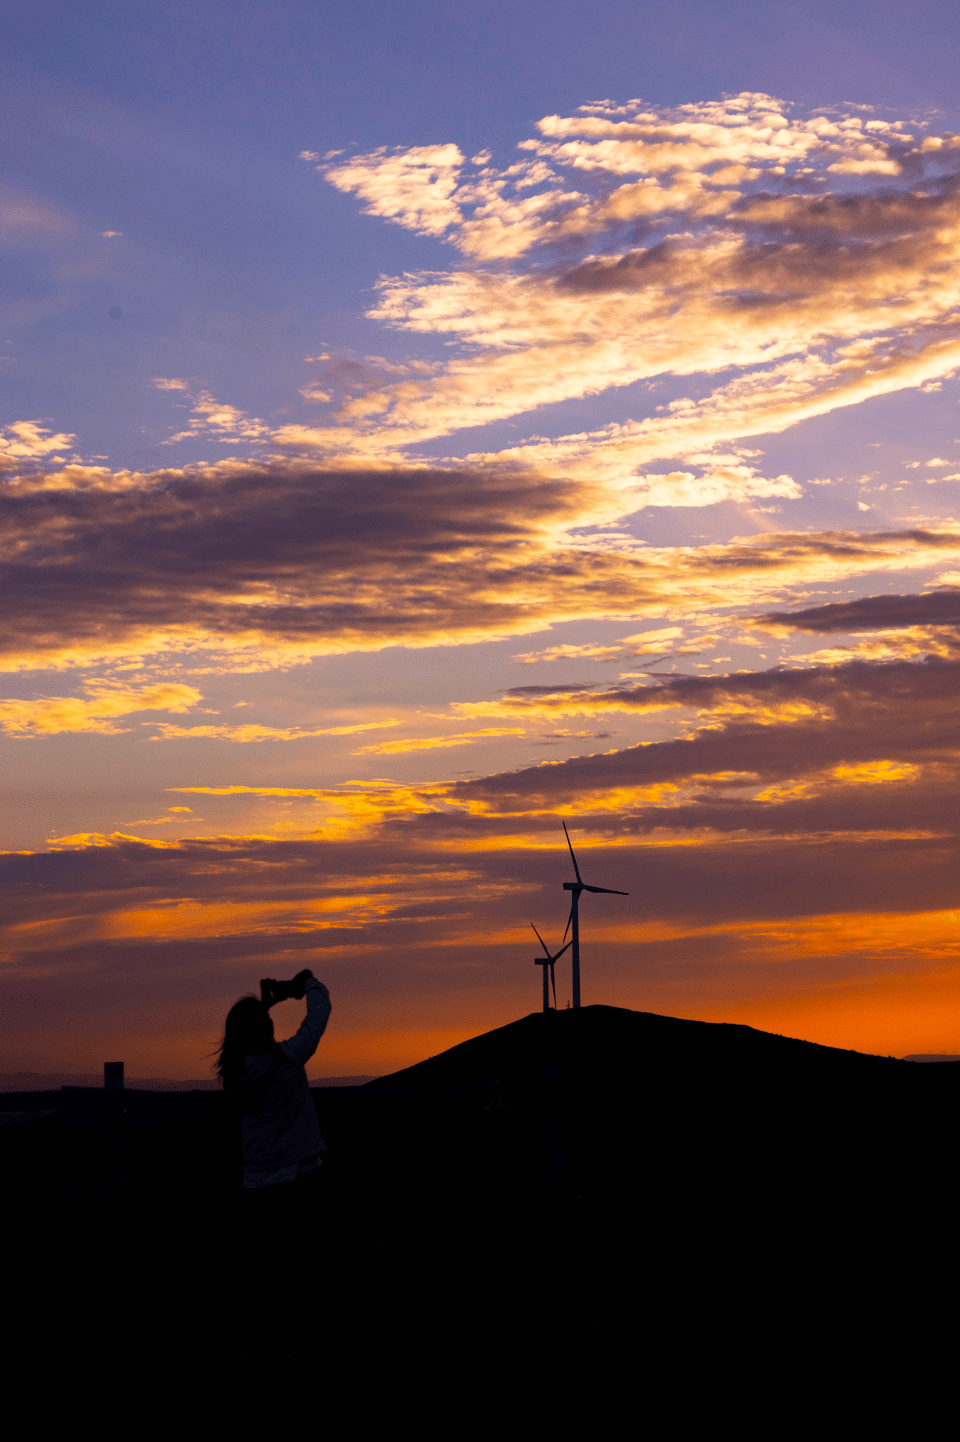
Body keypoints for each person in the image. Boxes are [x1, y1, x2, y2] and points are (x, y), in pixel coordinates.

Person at [214, 968, 332, 1218]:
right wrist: (308, 982)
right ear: (267, 1026)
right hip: (302, 1170)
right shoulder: (290, 1058)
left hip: (256, 1177)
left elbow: (249, 1039)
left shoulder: (234, 1073)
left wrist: (264, 1006)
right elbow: (319, 1013)